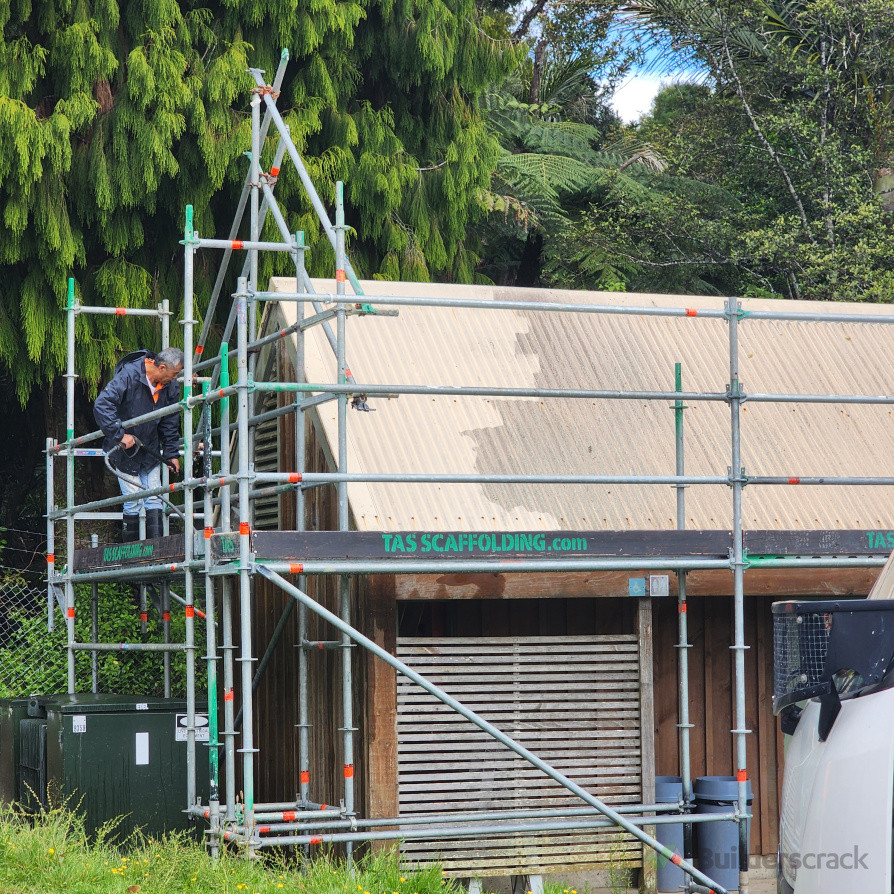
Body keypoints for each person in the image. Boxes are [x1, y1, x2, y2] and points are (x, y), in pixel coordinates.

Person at [94, 347, 185, 541]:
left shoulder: (170, 386)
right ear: (161, 368)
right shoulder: (130, 375)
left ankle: (157, 551)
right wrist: (119, 435)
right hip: (123, 451)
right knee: (133, 500)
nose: (175, 378)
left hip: (149, 449)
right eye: (174, 373)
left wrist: (171, 453)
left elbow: (170, 420)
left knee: (154, 499)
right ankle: (131, 556)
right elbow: (102, 405)